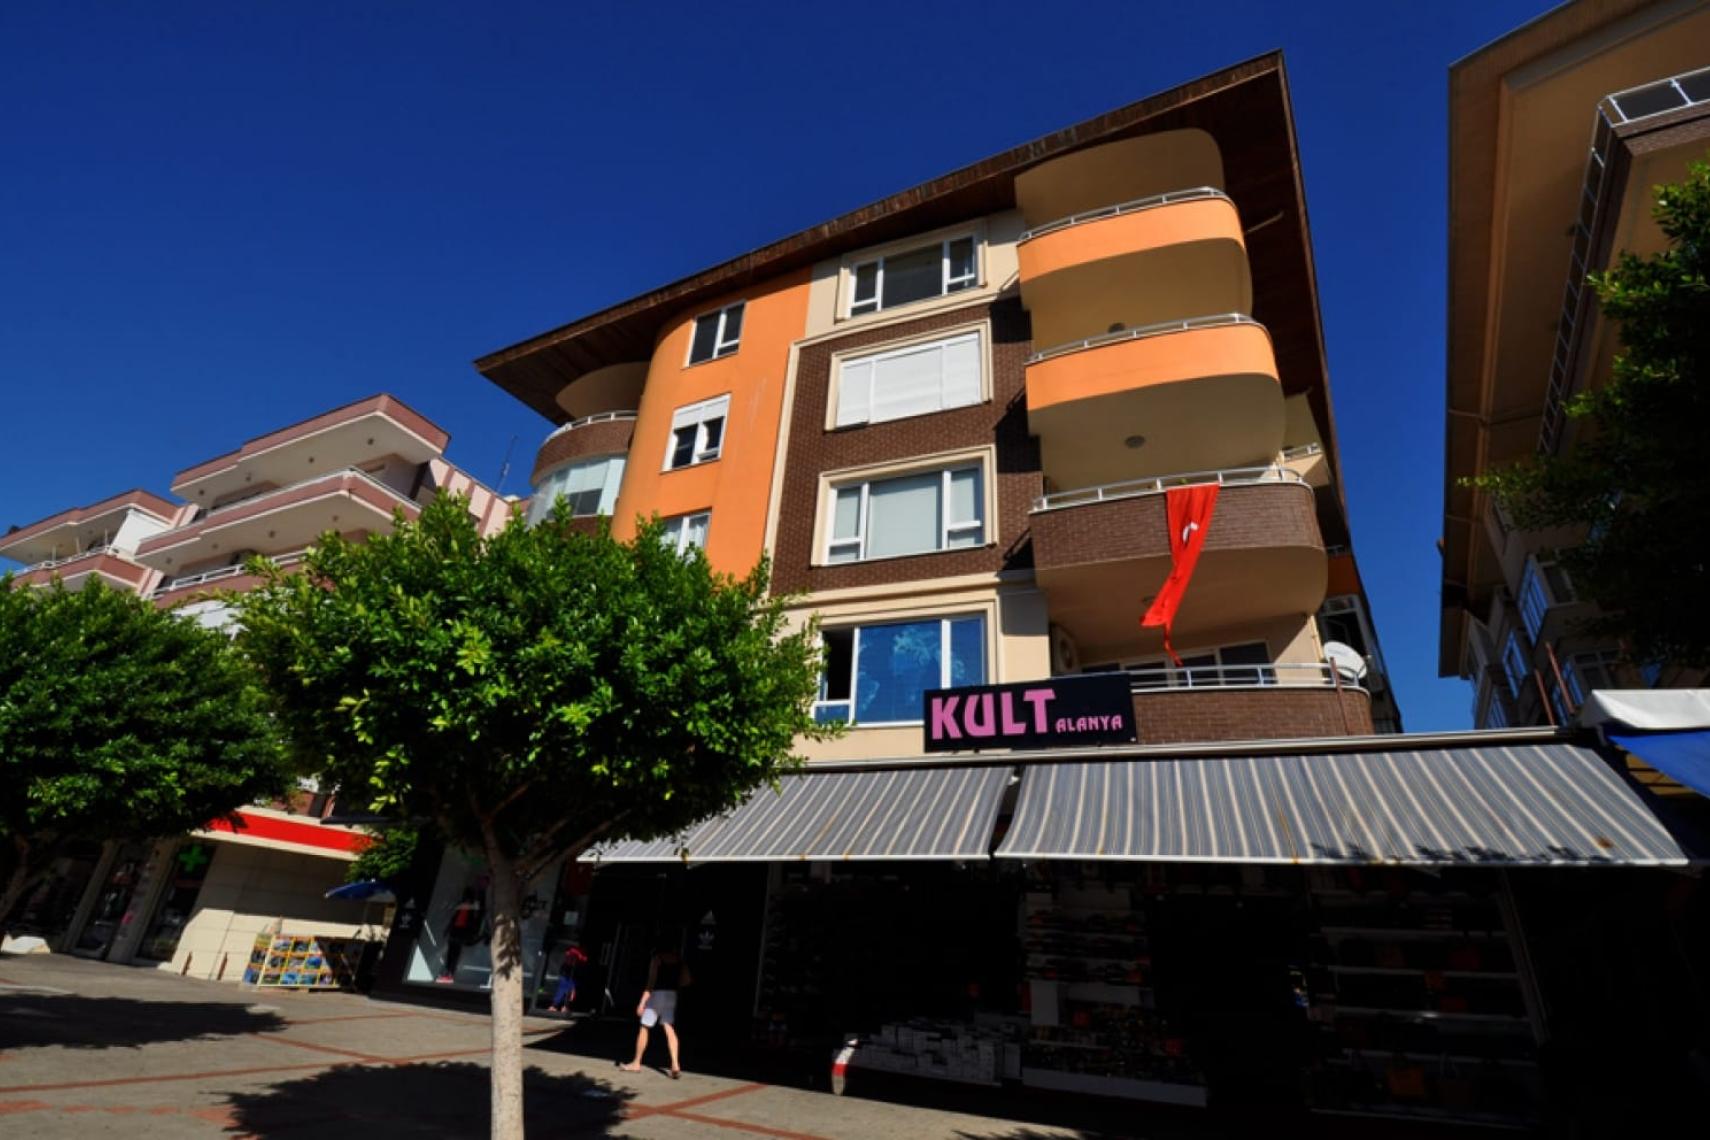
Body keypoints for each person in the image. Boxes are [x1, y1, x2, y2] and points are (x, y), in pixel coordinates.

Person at [618, 942, 691, 1078]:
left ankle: (636, 1062)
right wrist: (674, 983)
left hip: (657, 994)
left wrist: (642, 1002)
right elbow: (687, 980)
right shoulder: (680, 961)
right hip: (672, 995)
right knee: (669, 1027)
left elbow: (651, 982)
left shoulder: (657, 959)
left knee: (644, 1026)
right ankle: (675, 1064)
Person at [547, 942, 587, 1013]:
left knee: (569, 991)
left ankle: (562, 1006)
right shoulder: (572, 952)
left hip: (570, 974)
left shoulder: (574, 955)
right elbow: (580, 958)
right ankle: (555, 1006)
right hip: (567, 974)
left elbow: (583, 959)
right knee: (563, 990)